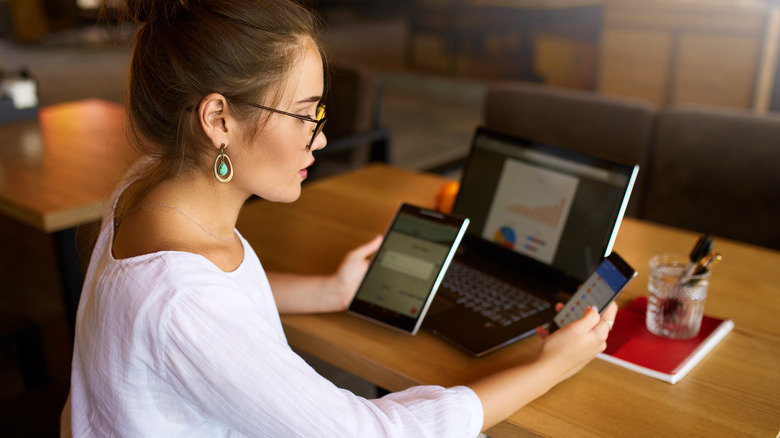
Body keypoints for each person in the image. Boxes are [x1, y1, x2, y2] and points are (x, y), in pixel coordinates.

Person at [62, 0, 617, 436]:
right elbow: (373, 433)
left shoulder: (149, 185)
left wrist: (330, 290)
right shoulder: (182, 302)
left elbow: (209, 300)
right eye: (305, 115)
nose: (321, 138)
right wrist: (553, 366)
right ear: (217, 118)